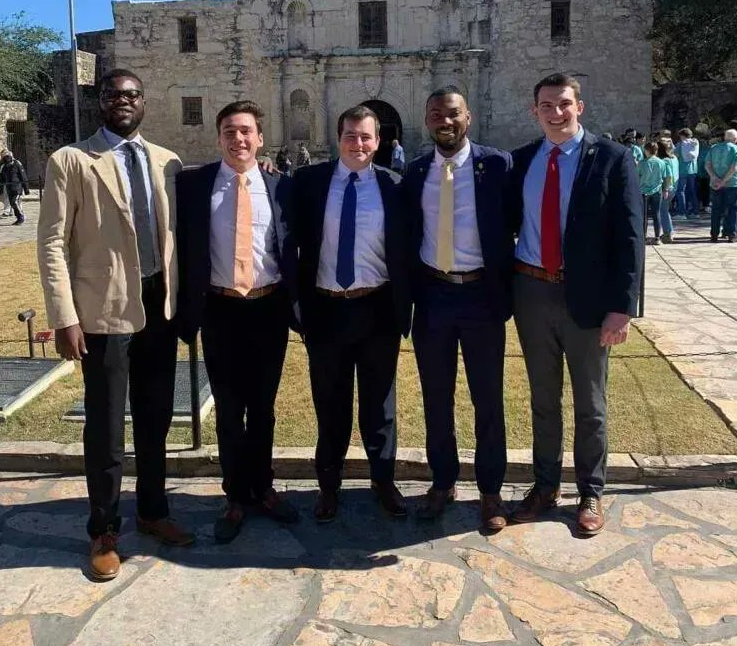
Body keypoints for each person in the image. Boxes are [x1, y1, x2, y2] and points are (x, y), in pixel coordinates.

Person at [37, 68, 195, 582]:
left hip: (158, 306)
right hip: (103, 310)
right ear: (100, 101)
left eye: (131, 94)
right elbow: (52, 243)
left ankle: (153, 510)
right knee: (106, 426)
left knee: (156, 418)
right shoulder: (72, 160)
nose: (123, 101)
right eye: (112, 94)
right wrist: (64, 316)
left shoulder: (167, 161)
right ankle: (104, 530)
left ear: (143, 102)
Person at [510, 73, 643, 536]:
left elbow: (630, 237)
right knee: (543, 399)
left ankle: (590, 490)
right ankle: (545, 486)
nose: (556, 112)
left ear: (579, 107)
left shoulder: (611, 159)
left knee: (590, 402)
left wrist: (622, 307)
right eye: (547, 105)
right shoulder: (522, 161)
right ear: (535, 111)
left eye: (564, 103)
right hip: (532, 293)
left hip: (586, 299)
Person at [177, 101, 299, 541]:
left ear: (260, 139)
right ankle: (234, 497)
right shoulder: (193, 185)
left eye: (246, 131)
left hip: (268, 308)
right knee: (229, 410)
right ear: (218, 138)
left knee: (263, 408)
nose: (238, 139)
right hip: (220, 309)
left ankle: (263, 488)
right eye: (229, 131)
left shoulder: (281, 186)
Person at [403, 86, 514, 532]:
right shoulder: (415, 172)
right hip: (433, 296)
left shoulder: (498, 166)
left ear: (468, 117)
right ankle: (443, 481)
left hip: (481, 296)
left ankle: (490, 490)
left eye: (452, 113)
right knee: (436, 397)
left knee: (487, 398)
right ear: (426, 120)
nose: (444, 121)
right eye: (435, 114)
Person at [293, 105, 410, 522]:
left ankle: (383, 481)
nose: (357, 144)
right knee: (330, 404)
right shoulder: (308, 182)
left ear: (378, 141)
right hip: (325, 308)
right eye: (350, 135)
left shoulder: (395, 186)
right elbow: (286, 235)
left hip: (377, 306)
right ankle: (329, 485)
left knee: (380, 404)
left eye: (365, 137)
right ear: (338, 137)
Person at [706, 128, 737, 243]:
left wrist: (714, 177)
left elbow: (707, 164)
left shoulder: (714, 148)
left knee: (716, 209)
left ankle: (714, 234)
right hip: (732, 184)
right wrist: (723, 181)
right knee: (733, 209)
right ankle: (732, 235)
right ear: (735, 139)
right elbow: (734, 168)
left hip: (714, 184)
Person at [638, 141, 669, 244]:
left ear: (646, 150)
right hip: (657, 190)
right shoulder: (662, 162)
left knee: (644, 215)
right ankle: (657, 237)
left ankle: (643, 237)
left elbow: (637, 176)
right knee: (656, 214)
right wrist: (666, 189)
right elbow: (666, 177)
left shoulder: (642, 163)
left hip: (643, 191)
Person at [0, 151, 29, 225]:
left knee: (15, 202)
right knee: (12, 203)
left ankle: (21, 217)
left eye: (9, 163)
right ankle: (18, 217)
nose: (8, 165)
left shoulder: (17, 164)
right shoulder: (4, 166)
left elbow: (23, 176)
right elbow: (1, 178)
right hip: (9, 188)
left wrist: (26, 189)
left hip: (17, 187)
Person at [656, 138, 678, 243]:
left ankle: (668, 233)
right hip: (673, 187)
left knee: (663, 211)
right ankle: (669, 231)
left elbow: (668, 176)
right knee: (665, 210)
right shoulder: (674, 158)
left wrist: (665, 189)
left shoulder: (664, 161)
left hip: (667, 188)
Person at [675, 128, 700, 217]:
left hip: (682, 170)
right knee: (692, 191)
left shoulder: (680, 144)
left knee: (680, 191)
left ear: (682, 136)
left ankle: (681, 212)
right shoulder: (695, 143)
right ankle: (695, 212)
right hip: (693, 170)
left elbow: (675, 155)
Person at [0, 149, 13, 216]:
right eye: (2, 155)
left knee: (7, 196)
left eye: (4, 154)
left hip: (10, 182)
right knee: (1, 196)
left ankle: (7, 211)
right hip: (2, 181)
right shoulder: (1, 162)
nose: (3, 156)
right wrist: (1, 170)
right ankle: (10, 209)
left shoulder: (13, 162)